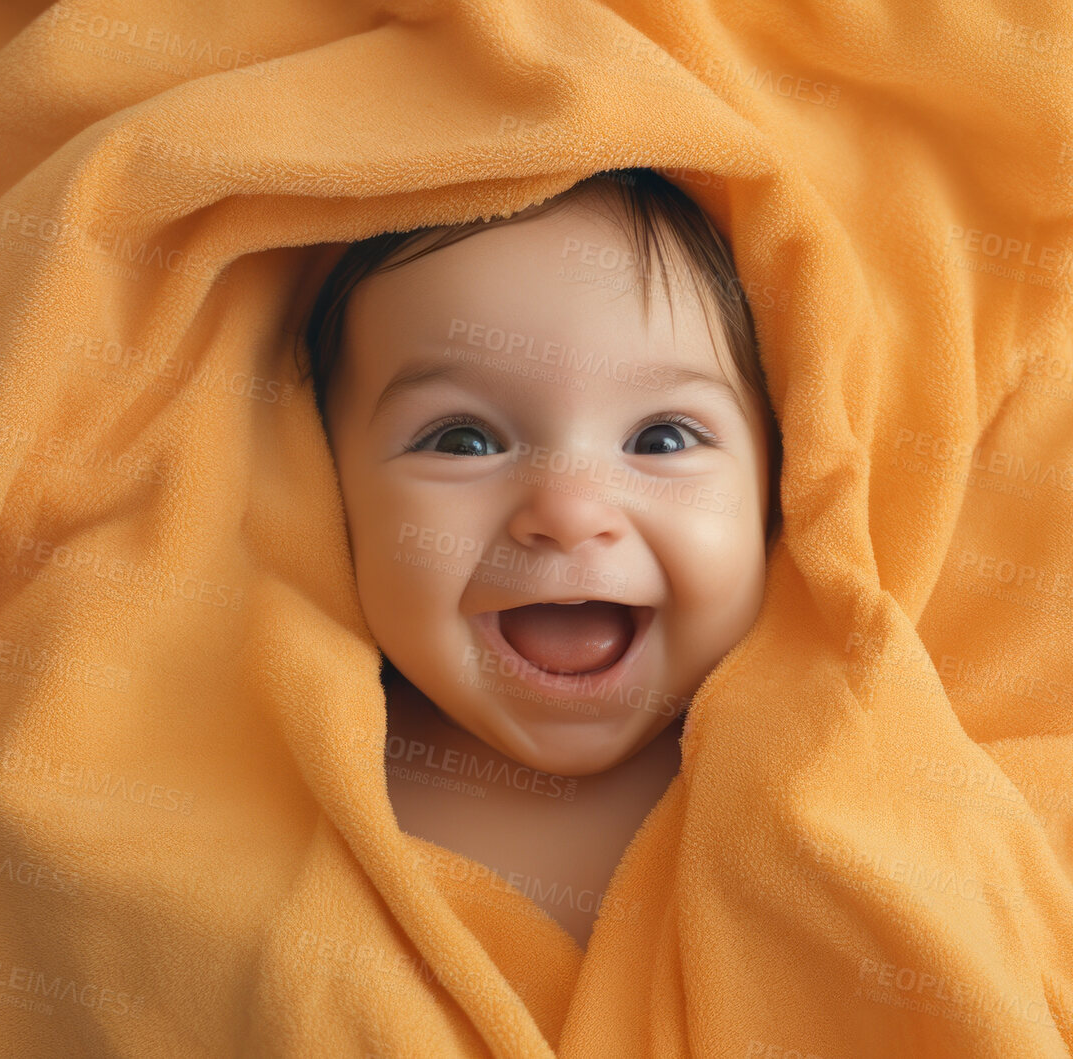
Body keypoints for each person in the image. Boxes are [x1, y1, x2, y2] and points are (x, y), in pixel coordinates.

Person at [296, 167, 782, 948]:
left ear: (776, 488)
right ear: (322, 481)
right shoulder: (293, 773)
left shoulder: (809, 759)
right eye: (462, 440)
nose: (566, 513)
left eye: (661, 439)